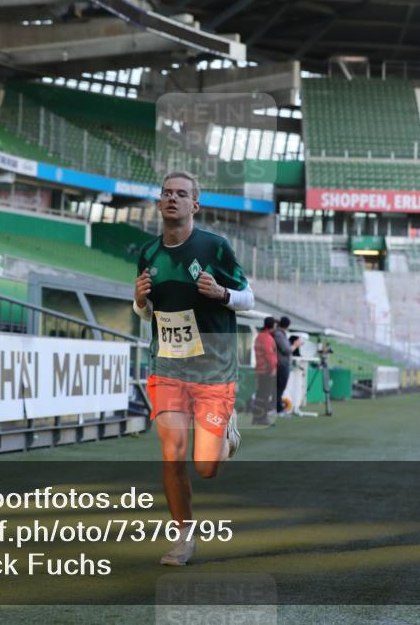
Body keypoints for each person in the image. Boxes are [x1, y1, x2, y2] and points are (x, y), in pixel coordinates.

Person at [133, 171, 254, 567]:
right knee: (173, 454)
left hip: (213, 370)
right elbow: (147, 311)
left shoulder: (215, 247)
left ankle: (227, 433)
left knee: (206, 468)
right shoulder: (148, 254)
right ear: (159, 202)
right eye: (166, 193)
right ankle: (184, 539)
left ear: (194, 205)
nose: (172, 199)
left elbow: (248, 298)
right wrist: (138, 302)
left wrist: (222, 294)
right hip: (167, 364)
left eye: (181, 194)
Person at [273, 316, 304, 416]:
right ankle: (277, 410)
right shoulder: (278, 334)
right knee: (280, 388)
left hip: (282, 364)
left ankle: (278, 409)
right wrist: (295, 345)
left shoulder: (281, 334)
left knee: (280, 388)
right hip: (281, 365)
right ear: (287, 325)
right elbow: (286, 350)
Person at [254, 317, 278, 426]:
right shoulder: (267, 337)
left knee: (260, 394)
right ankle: (262, 418)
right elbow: (270, 355)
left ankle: (257, 418)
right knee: (265, 395)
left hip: (260, 369)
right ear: (272, 325)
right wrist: (273, 368)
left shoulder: (259, 336)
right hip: (267, 371)